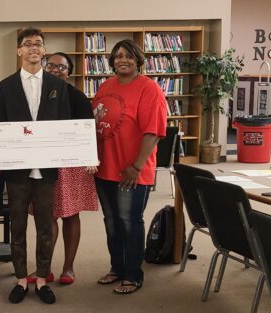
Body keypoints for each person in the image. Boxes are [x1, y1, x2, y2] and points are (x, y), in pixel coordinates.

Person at [0, 27, 82, 305]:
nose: (33, 47)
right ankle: (21, 279)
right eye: (27, 43)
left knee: (45, 226)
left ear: (43, 51)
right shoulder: (4, 87)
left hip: (47, 171)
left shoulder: (58, 87)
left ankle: (42, 279)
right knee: (18, 226)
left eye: (38, 44)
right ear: (19, 51)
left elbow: (65, 125)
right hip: (17, 172)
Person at [92, 39, 167, 295]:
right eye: (118, 56)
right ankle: (117, 267)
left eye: (129, 56)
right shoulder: (105, 86)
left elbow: (154, 132)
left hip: (132, 171)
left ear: (138, 60)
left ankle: (133, 275)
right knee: (111, 221)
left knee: (129, 221)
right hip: (105, 169)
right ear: (112, 61)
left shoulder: (149, 89)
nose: (122, 60)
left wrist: (136, 166)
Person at [42, 52, 97, 285]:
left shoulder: (78, 97)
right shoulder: (35, 95)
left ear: (69, 72)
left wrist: (90, 159)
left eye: (61, 67)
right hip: (44, 162)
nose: (56, 70)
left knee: (70, 215)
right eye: (51, 65)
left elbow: (88, 131)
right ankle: (45, 268)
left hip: (71, 166)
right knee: (48, 216)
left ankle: (68, 267)